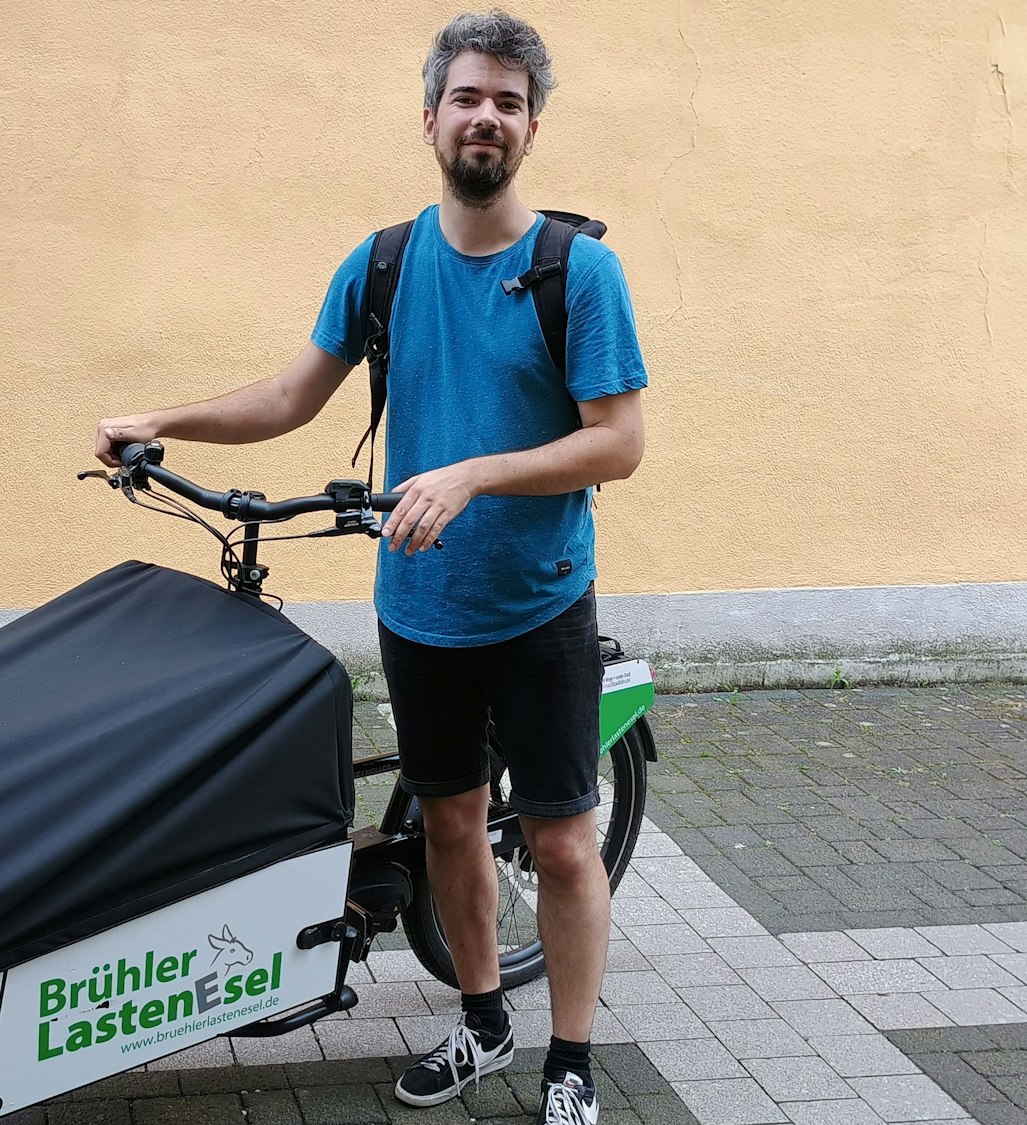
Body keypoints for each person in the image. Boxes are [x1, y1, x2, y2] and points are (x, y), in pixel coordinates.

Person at [95, 10, 646, 1123]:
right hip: (420, 605)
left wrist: (473, 475)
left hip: (538, 606)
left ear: (530, 130)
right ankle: (481, 1021)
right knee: (446, 821)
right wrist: (158, 419)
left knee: (558, 837)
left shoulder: (575, 271)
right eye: (466, 97)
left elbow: (617, 442)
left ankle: (572, 1061)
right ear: (430, 117)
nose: (484, 117)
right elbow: (289, 396)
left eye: (507, 102)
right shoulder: (385, 263)